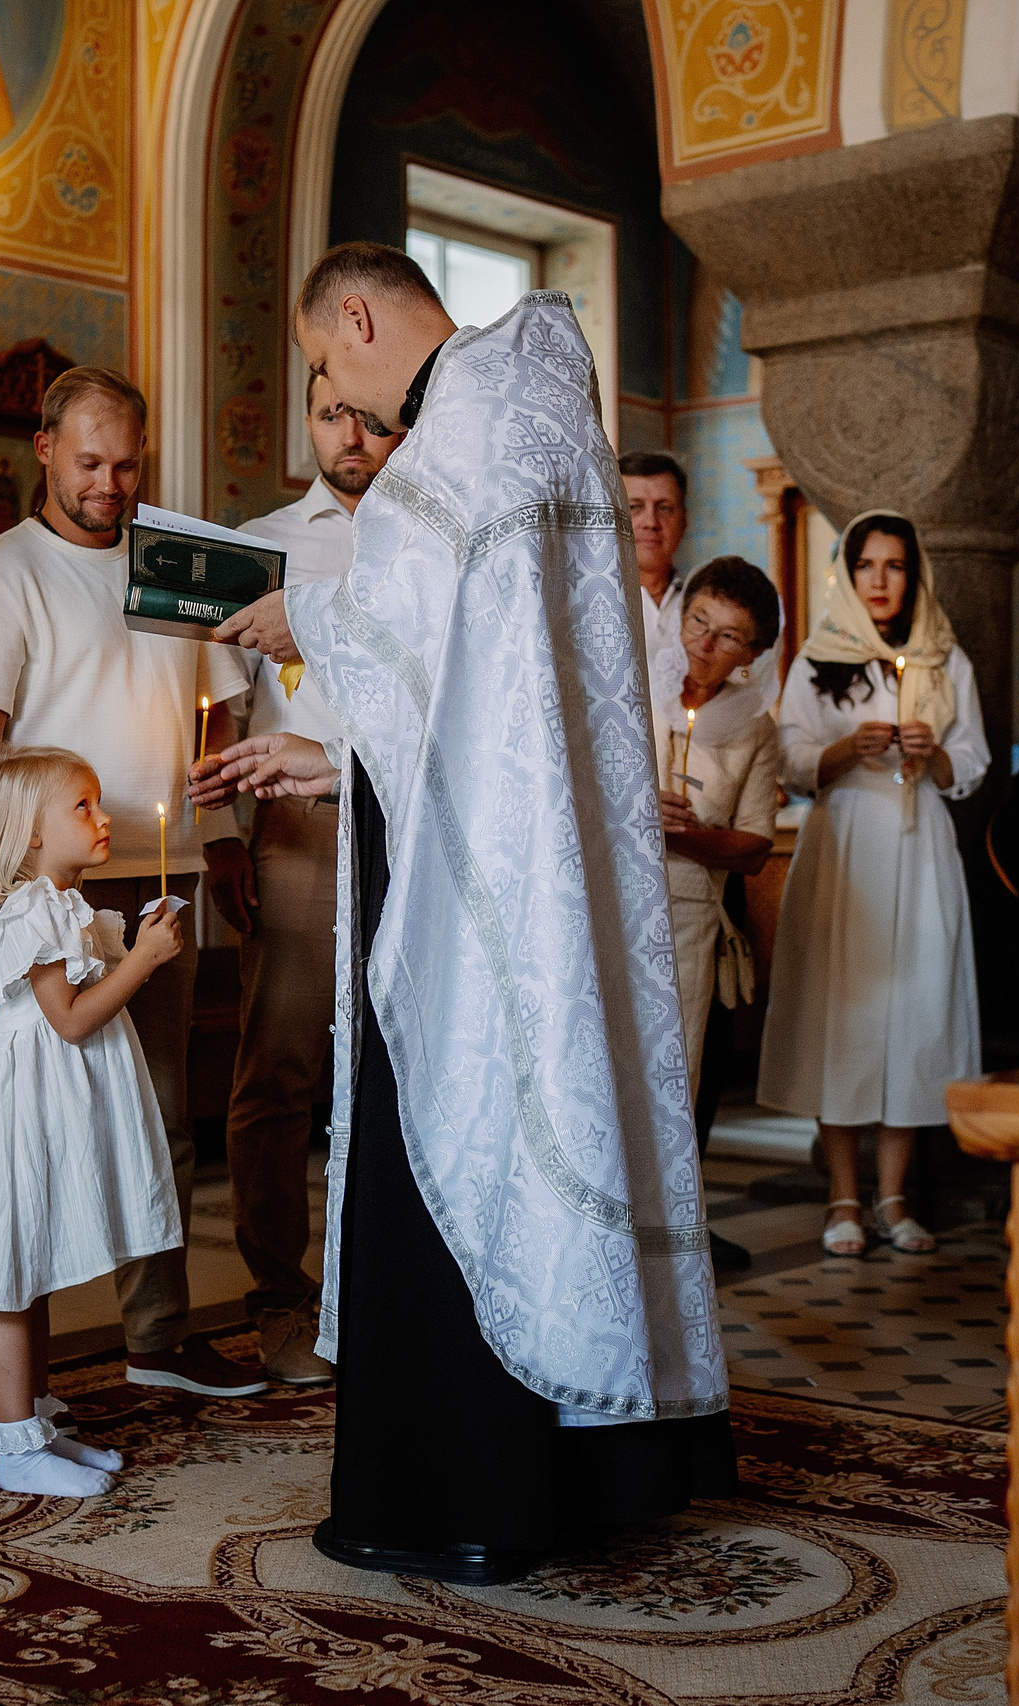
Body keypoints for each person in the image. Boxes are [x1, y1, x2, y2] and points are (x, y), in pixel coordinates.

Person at [201, 243, 733, 1586]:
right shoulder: (539, 401)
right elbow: (488, 690)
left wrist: (303, 615)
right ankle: (592, 1470)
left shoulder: (459, 431)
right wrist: (336, 759)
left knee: (455, 1120)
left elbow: (415, 640)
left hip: (473, 896)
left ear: (357, 316)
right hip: (520, 850)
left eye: (325, 364)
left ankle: (460, 1488)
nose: (341, 398)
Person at [0, 366, 265, 1400]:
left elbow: (217, 711)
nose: (109, 484)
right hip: (51, 888)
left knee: (161, 1113)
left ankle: (158, 1340)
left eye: (127, 464)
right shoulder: (2, 573)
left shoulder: (173, 561)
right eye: (88, 462)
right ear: (43, 448)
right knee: (35, 1121)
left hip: (163, 869)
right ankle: (10, 1375)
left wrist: (222, 831)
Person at [207, 372, 404, 1387]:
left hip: (414, 824)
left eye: (372, 417)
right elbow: (216, 702)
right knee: (279, 1072)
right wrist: (221, 838)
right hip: (298, 831)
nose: (353, 436)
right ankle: (279, 1297)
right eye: (332, 415)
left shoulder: (431, 542)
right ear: (307, 423)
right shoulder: (263, 546)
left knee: (404, 1070)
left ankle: (385, 1291)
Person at [0, 747, 185, 1497]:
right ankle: (16, 1447)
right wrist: (142, 961)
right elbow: (70, 1020)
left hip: (49, 1103)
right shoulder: (35, 910)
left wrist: (136, 951)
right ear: (33, 834)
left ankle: (35, 1425)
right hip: (24, 1108)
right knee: (12, 1273)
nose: (104, 817)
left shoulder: (68, 904)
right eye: (84, 806)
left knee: (32, 1268)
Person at [759, 512, 988, 1257]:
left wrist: (934, 753)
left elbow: (972, 760)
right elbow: (791, 758)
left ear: (914, 574)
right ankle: (843, 1196)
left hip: (921, 847)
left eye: (895, 566)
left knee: (914, 1013)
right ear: (847, 574)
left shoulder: (945, 659)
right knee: (845, 1013)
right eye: (867, 566)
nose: (880, 580)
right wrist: (844, 750)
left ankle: (894, 1197)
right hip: (847, 844)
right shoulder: (819, 657)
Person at [652, 556, 784, 1272]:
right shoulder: (628, 686)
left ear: (750, 654)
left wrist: (688, 834)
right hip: (613, 901)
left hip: (691, 914)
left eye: (728, 636)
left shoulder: (755, 730)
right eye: (698, 621)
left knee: (676, 1077)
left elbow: (756, 846)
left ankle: (671, 1241)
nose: (704, 644)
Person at [619, 450, 691, 685]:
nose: (651, 522)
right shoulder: (584, 607)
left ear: (684, 520)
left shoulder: (703, 606)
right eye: (634, 507)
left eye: (665, 508)